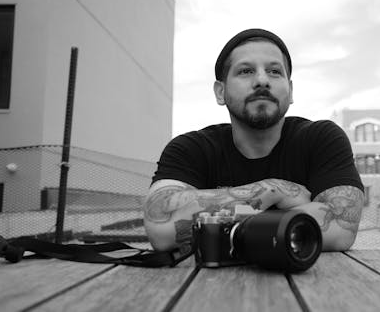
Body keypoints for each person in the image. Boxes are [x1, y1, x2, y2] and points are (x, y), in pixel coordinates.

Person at [144, 28, 364, 252]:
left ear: (291, 89)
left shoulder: (322, 139)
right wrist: (273, 189)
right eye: (246, 71)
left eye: (275, 71)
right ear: (220, 92)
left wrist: (218, 223)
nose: (262, 80)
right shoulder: (190, 149)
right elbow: (161, 229)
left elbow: (341, 229)